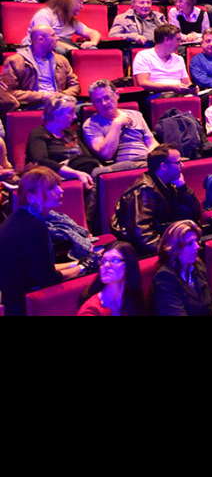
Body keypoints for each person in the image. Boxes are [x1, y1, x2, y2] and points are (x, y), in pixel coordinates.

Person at [0, 167, 82, 316]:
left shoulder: (23, 218)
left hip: (17, 296)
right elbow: (47, 279)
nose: (60, 191)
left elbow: (42, 267)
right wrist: (82, 268)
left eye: (58, 185)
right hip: (23, 305)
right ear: (31, 197)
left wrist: (75, 263)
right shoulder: (33, 227)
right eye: (51, 188)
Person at [110, 143, 203, 257]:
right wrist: (169, 251)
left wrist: (183, 188)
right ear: (163, 166)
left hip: (169, 237)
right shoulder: (144, 190)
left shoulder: (169, 184)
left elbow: (194, 215)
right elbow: (142, 234)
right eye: (178, 162)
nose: (182, 165)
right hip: (150, 250)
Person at [83, 79, 158, 172]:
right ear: (93, 103)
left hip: (146, 161)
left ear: (117, 95)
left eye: (107, 98)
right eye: (98, 100)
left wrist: (157, 158)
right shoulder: (90, 124)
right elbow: (106, 154)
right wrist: (117, 124)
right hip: (121, 166)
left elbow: (151, 143)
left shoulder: (136, 115)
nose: (104, 103)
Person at [0, 24, 80, 109]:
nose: (57, 38)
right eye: (53, 35)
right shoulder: (16, 61)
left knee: (85, 109)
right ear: (41, 39)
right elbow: (8, 93)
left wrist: (61, 96)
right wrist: (42, 96)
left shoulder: (61, 60)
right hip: (33, 106)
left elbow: (75, 85)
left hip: (60, 104)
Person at [151, 219, 212, 316]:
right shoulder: (165, 277)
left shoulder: (198, 266)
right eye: (189, 243)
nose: (197, 246)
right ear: (174, 249)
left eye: (196, 241)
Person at [77, 241, 147, 316]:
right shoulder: (90, 310)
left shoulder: (133, 298)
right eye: (103, 261)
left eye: (114, 260)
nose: (106, 265)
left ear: (129, 265)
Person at [23, 0, 100, 52]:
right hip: (38, 50)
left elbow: (94, 33)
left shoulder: (71, 20)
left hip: (64, 47)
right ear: (68, 2)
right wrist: (72, 49)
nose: (82, 7)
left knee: (91, 48)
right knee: (60, 49)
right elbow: (45, 39)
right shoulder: (45, 14)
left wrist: (93, 42)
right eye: (79, 2)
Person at [133, 24, 195, 94]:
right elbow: (143, 83)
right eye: (178, 40)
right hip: (156, 95)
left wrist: (193, 88)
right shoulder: (143, 56)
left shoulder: (179, 58)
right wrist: (171, 87)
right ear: (167, 40)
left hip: (179, 94)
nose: (180, 44)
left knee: (206, 96)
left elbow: (187, 83)